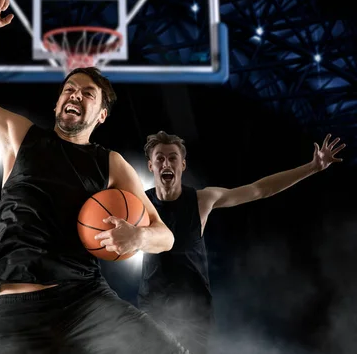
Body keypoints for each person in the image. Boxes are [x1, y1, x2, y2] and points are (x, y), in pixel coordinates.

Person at [0, 0, 185, 354]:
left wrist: (137, 238)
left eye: (88, 94)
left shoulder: (110, 163)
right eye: (70, 89)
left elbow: (165, 236)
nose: (75, 95)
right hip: (17, 310)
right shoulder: (19, 137)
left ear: (101, 115)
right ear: (57, 101)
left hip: (85, 299)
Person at [137, 131, 346, 354]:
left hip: (194, 311)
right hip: (152, 306)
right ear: (151, 166)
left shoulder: (202, 200)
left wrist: (312, 167)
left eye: (172, 158)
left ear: (183, 165)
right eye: (159, 158)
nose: (166, 163)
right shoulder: (137, 203)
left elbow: (260, 190)